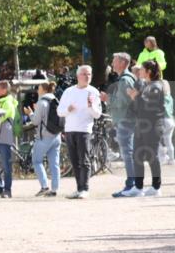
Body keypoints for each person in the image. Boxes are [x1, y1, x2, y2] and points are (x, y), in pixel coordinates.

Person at [57, 65, 102, 199]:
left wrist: (91, 107)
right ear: (77, 76)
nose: (87, 76)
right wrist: (68, 110)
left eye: (89, 74)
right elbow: (60, 111)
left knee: (84, 160)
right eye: (84, 74)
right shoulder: (68, 91)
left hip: (84, 130)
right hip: (70, 129)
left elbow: (97, 114)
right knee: (75, 161)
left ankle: (85, 188)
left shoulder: (93, 91)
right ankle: (79, 188)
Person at [100, 52, 138, 196]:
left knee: (127, 153)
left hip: (125, 120)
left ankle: (131, 185)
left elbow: (122, 103)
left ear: (122, 63)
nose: (112, 63)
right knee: (130, 153)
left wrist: (107, 98)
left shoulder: (124, 80)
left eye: (114, 61)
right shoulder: (128, 79)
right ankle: (134, 184)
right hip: (129, 120)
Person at [126, 60, 165, 196]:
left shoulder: (156, 86)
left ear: (148, 71)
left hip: (153, 126)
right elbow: (138, 108)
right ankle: (138, 187)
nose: (139, 71)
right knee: (137, 155)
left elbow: (149, 107)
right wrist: (133, 99)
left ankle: (156, 187)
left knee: (151, 156)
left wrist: (135, 96)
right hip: (141, 125)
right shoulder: (145, 85)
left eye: (142, 69)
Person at [24, 81, 62, 197]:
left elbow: (35, 121)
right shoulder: (55, 100)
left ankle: (44, 186)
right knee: (54, 163)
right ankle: (55, 189)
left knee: (37, 161)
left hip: (44, 137)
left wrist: (30, 113)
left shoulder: (41, 102)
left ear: (44, 90)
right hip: (56, 135)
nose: (37, 90)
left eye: (39, 88)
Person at [0, 81, 18, 198]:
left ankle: (7, 190)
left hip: (4, 138)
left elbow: (0, 118)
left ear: (4, 90)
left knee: (6, 165)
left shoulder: (8, 102)